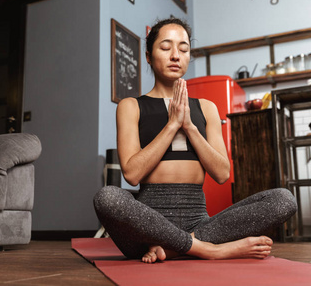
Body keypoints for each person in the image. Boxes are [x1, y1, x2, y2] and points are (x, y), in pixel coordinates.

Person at [94, 17, 297, 263]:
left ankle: (177, 247)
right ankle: (208, 249)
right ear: (148, 55)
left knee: (283, 200)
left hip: (199, 220)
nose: (175, 55)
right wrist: (172, 125)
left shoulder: (206, 108)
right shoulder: (131, 106)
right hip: (147, 226)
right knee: (107, 198)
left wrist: (189, 126)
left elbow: (222, 173)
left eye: (183, 49)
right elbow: (133, 174)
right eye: (166, 47)